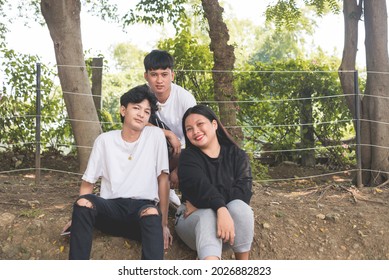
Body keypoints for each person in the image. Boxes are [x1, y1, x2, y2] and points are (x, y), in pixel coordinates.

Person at [65, 85, 172, 260]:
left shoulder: (155, 136)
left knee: (152, 213)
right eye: (136, 108)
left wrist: (164, 224)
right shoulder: (104, 140)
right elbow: (88, 183)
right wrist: (78, 219)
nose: (141, 114)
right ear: (123, 110)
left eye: (146, 111)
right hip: (110, 211)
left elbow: (163, 179)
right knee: (83, 202)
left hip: (141, 212)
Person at [175, 104, 254, 260]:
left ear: (214, 124)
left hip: (229, 227)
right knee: (207, 216)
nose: (195, 131)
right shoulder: (187, 157)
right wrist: (218, 207)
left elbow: (243, 193)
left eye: (200, 124)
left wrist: (212, 205)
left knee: (240, 207)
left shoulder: (237, 155)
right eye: (189, 129)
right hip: (190, 221)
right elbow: (200, 187)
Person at [144, 49, 197, 207]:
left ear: (172, 76)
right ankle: (151, 192)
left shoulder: (185, 99)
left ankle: (187, 202)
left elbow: (195, 136)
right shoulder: (142, 96)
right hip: (156, 147)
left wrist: (179, 169)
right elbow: (132, 122)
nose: (159, 80)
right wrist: (167, 133)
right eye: (154, 75)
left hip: (184, 150)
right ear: (146, 76)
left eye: (164, 74)